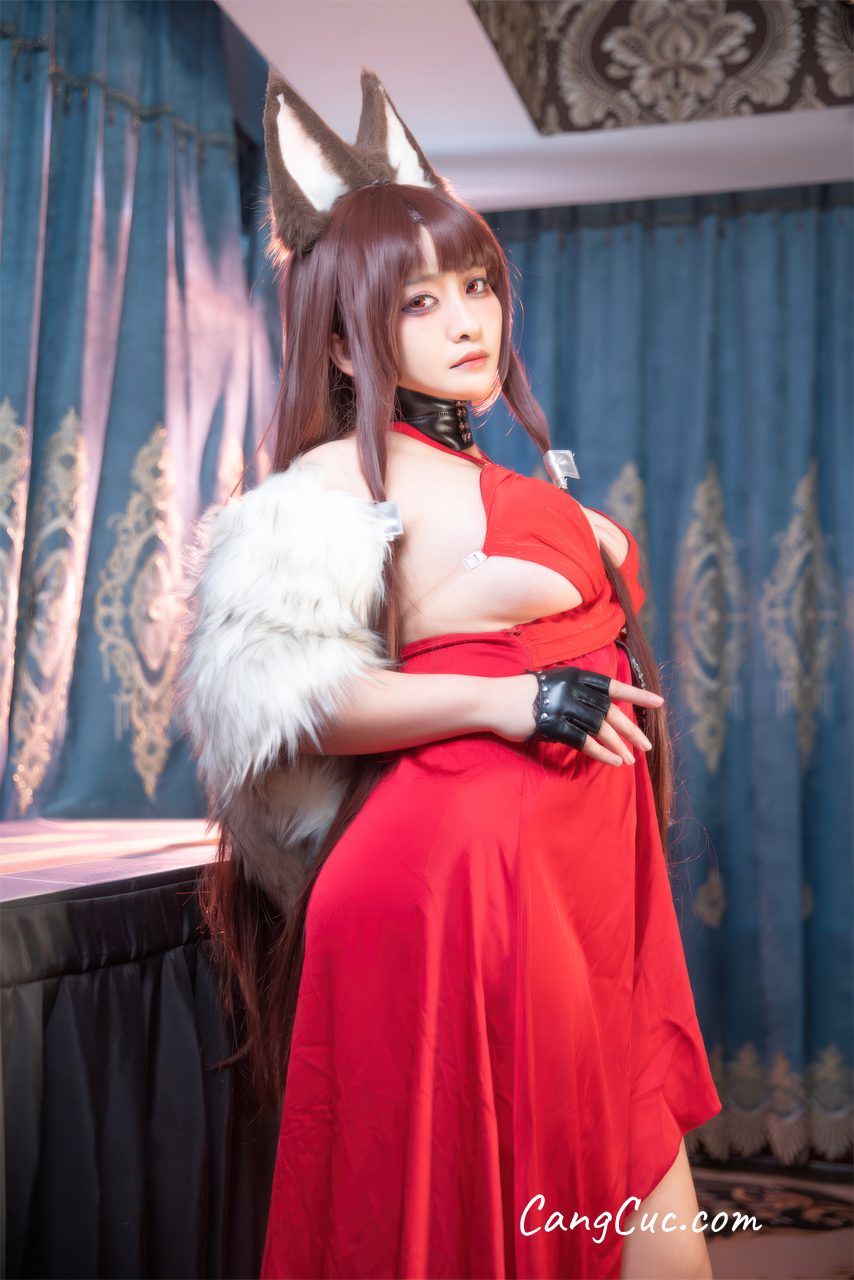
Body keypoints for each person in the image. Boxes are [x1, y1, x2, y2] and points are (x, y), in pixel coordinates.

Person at [180, 68, 721, 1280]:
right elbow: (285, 700)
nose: (467, 317)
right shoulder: (328, 485)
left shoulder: (482, 469)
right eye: (419, 300)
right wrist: (508, 698)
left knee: (631, 1198)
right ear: (340, 338)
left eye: (475, 283)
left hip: (574, 873)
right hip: (462, 882)